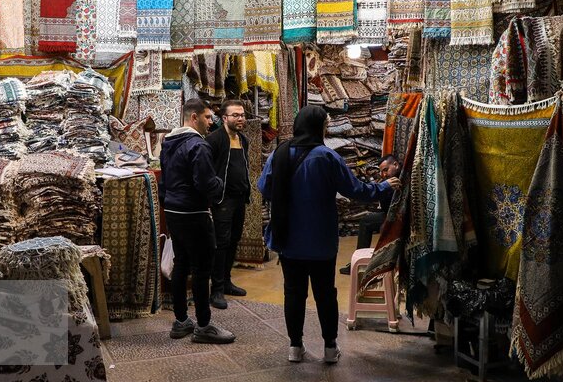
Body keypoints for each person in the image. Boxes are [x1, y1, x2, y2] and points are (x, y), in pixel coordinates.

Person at [258, 106, 400, 364]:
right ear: (317, 127)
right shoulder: (326, 157)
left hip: (287, 238)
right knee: (325, 293)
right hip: (320, 239)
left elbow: (263, 187)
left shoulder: (279, 154)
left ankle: (295, 347)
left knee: (293, 292)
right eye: (325, 124)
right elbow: (355, 190)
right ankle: (330, 348)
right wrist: (382, 187)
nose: (326, 128)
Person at [159, 99, 235, 344]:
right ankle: (203, 325)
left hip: (174, 211)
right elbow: (205, 182)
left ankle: (181, 320)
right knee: (203, 269)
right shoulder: (197, 146)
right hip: (194, 213)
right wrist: (221, 186)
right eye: (207, 117)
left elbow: (166, 180)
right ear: (193, 118)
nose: (211, 122)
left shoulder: (168, 143)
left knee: (181, 264)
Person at [205, 99, 251, 309]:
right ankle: (216, 289)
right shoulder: (214, 140)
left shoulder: (243, 140)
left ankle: (227, 281)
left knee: (233, 240)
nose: (240, 118)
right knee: (220, 243)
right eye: (235, 115)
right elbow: (208, 169)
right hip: (223, 199)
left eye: (242, 115)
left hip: (239, 197)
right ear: (224, 118)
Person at [339, 154, 402, 275]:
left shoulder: (400, 178)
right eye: (381, 171)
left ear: (395, 165)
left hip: (398, 216)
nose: (383, 174)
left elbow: (386, 207)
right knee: (367, 220)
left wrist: (384, 188)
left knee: (367, 222)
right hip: (393, 213)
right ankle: (360, 260)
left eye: (385, 170)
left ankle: (360, 262)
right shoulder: (393, 179)